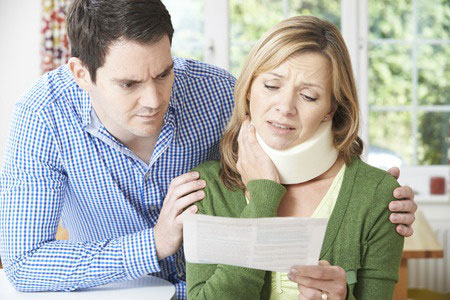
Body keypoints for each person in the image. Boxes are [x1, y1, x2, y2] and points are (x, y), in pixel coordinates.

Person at [0, 1, 414, 299]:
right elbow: (23, 264)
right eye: (129, 84)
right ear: (81, 75)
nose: (153, 99)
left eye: (164, 73)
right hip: (127, 292)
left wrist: (374, 192)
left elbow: (293, 128)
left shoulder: (215, 91)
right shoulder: (44, 118)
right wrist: (154, 243)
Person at [187, 16, 405, 299]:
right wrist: (263, 196)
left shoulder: (378, 195)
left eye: (309, 96)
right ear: (249, 89)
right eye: (271, 86)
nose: (285, 107)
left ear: (331, 108)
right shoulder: (206, 187)